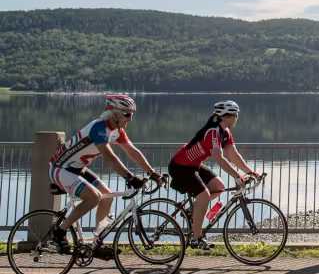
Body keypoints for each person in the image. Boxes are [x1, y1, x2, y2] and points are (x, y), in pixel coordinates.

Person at [49, 94, 162, 257]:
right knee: (94, 197)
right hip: (60, 168)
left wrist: (152, 173)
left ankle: (96, 242)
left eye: (132, 114)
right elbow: (109, 157)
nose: (130, 119)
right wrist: (129, 177)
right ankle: (59, 233)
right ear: (115, 113)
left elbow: (133, 152)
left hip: (78, 168)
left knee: (107, 197)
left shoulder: (117, 131)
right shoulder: (99, 128)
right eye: (128, 114)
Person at [168, 100, 257, 251]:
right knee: (204, 196)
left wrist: (249, 172)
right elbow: (219, 158)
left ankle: (190, 212)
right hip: (180, 167)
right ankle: (197, 238)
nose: (237, 118)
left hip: (193, 166)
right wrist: (237, 176)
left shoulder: (225, 133)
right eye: (236, 115)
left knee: (218, 186)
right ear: (228, 116)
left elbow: (233, 154)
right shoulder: (212, 132)